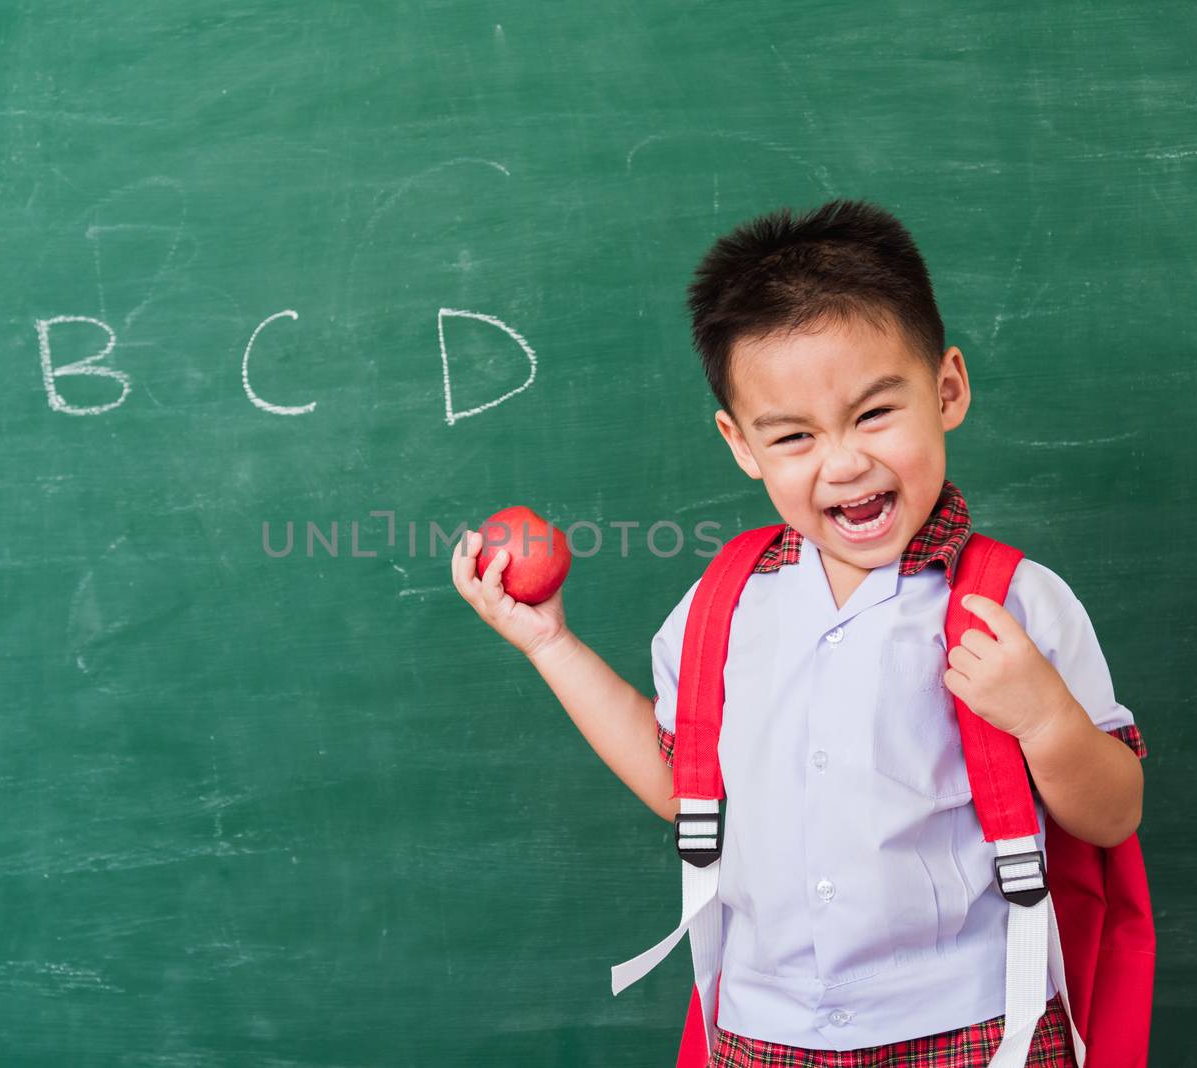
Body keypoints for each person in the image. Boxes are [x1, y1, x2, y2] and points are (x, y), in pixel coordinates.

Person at [451, 199, 1146, 1066]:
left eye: (874, 414)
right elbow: (684, 787)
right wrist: (552, 643)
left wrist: (1044, 719)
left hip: (977, 1028)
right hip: (760, 1029)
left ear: (948, 389)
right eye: (793, 436)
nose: (843, 461)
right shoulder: (726, 604)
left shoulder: (1017, 603)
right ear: (741, 445)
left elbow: (1115, 815)